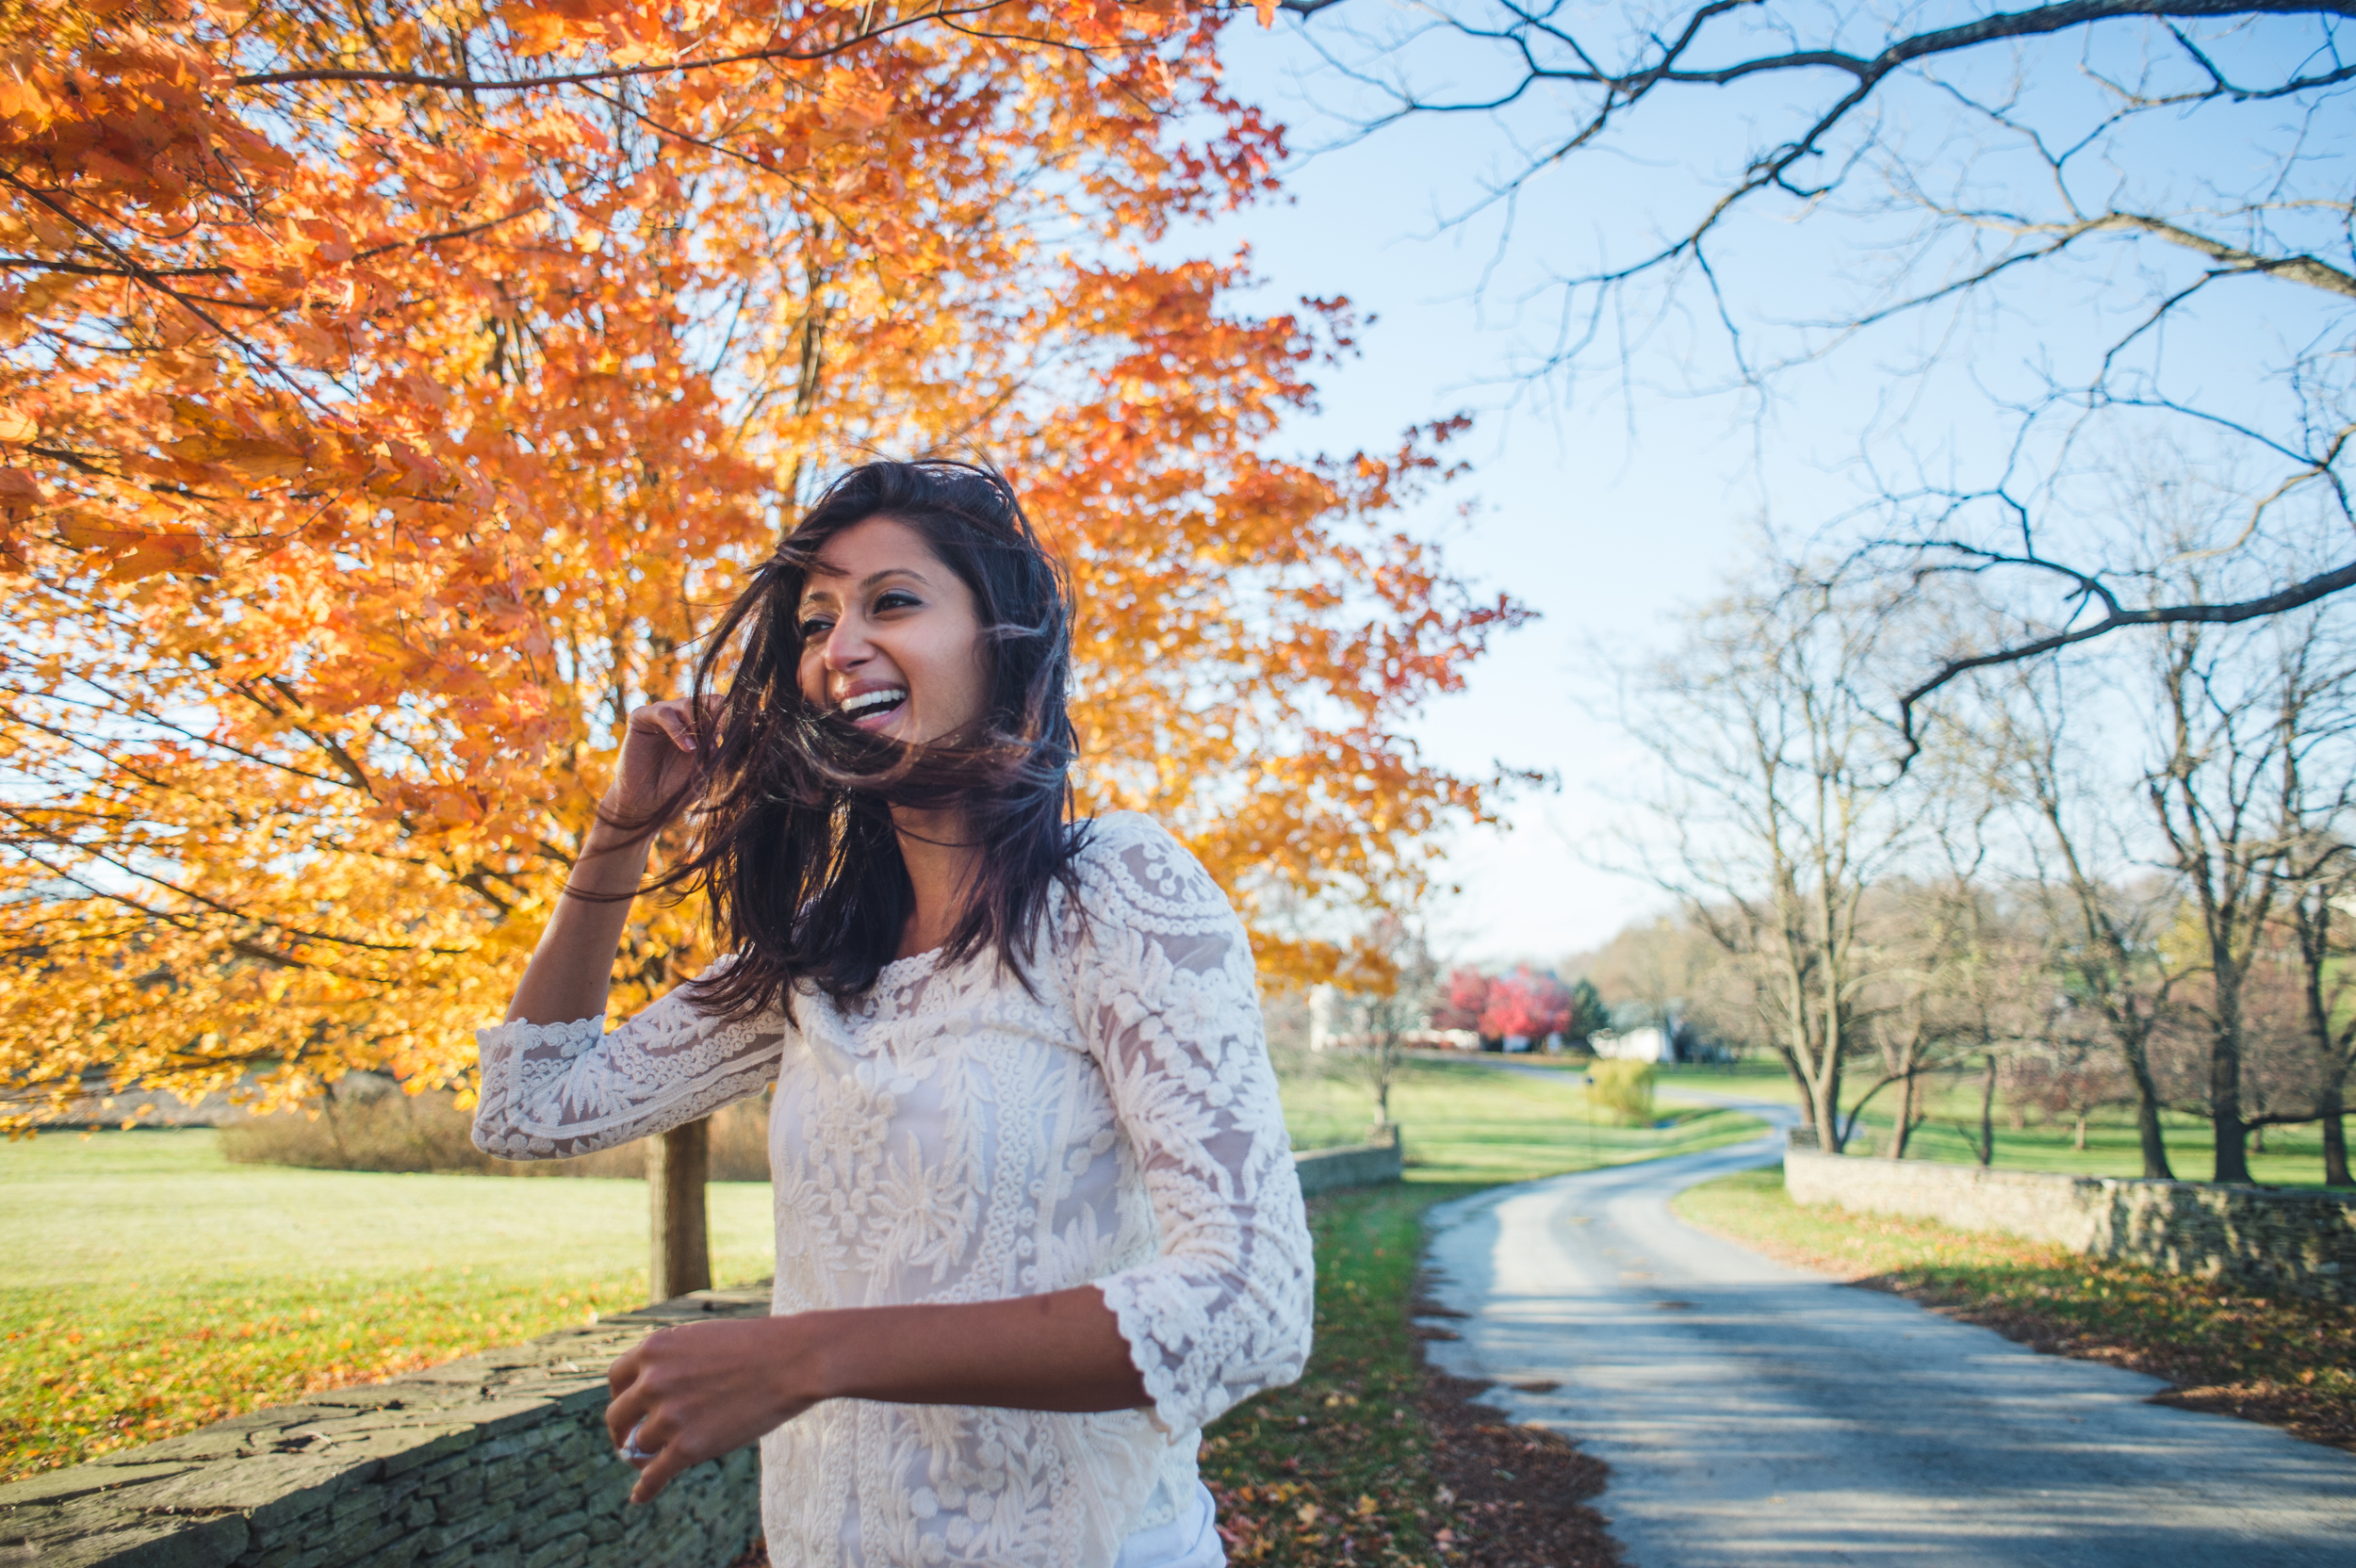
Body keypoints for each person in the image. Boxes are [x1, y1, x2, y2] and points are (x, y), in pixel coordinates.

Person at [471, 460, 1314, 1568]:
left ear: (1001, 638)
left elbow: (1250, 1301)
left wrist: (804, 1356)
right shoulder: (822, 951)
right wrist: (620, 831)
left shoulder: (1109, 891)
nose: (838, 647)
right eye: (817, 619)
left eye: (893, 601)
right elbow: (529, 1109)